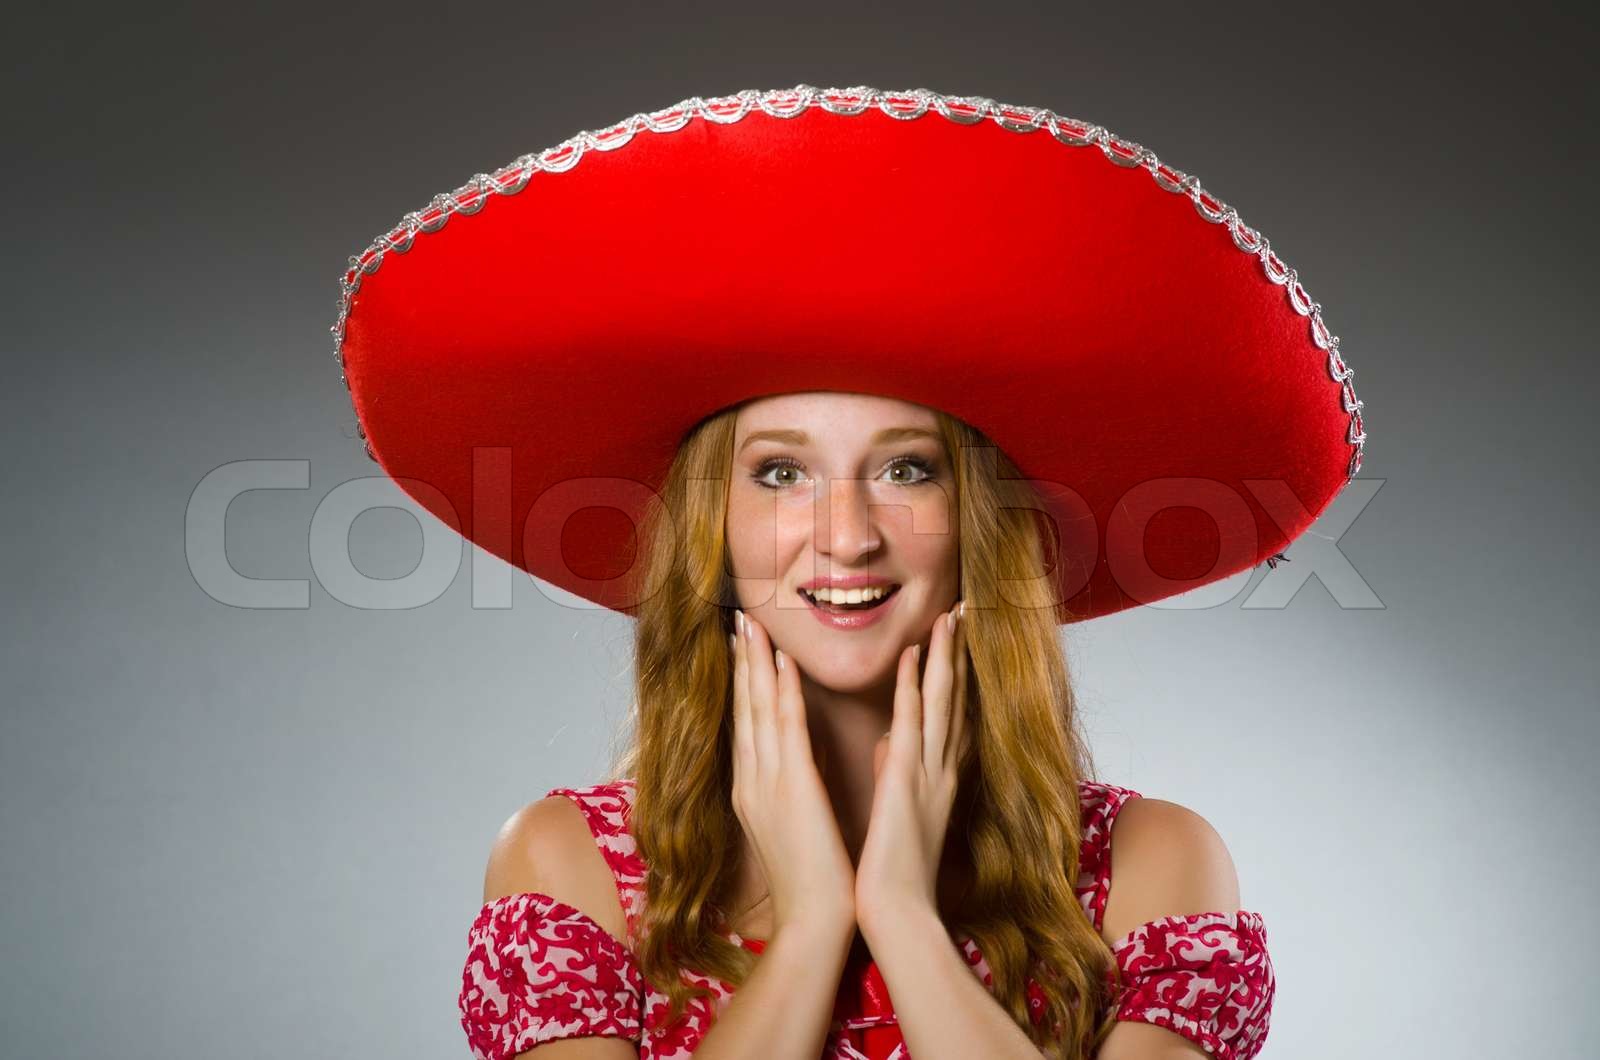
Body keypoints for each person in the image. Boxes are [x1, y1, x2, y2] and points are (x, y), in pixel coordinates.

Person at [330, 85, 1365, 1059]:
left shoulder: (1153, 864)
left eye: (907, 469)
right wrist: (817, 915)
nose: (844, 534)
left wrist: (902, 918)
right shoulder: (570, 864)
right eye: (780, 472)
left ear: (977, 525)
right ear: (714, 529)